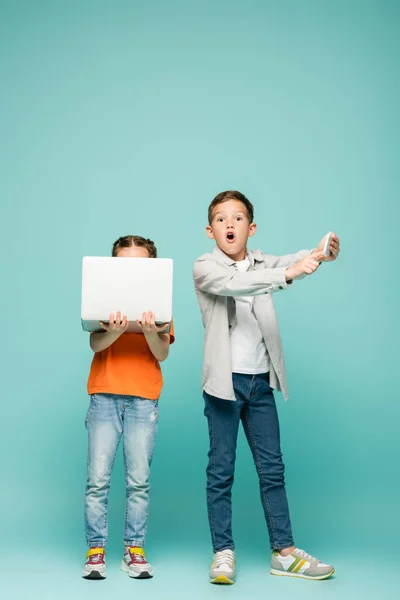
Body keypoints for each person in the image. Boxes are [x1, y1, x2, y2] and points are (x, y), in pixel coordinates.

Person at [193, 191, 340, 584]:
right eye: (221, 219)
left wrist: (317, 254)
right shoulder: (205, 266)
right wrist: (290, 273)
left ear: (250, 228)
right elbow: (245, 284)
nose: (229, 224)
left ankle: (285, 552)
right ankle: (223, 552)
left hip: (261, 383)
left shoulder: (261, 260)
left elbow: (289, 261)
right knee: (221, 471)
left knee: (272, 470)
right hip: (224, 384)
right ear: (210, 230)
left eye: (238, 218)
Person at [82, 235, 175, 580]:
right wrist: (116, 331)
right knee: (97, 480)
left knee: (138, 481)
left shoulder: (160, 306)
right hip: (104, 394)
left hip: (143, 398)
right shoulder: (103, 301)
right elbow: (95, 343)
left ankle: (134, 551)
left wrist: (151, 331)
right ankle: (95, 551)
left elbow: (162, 352)